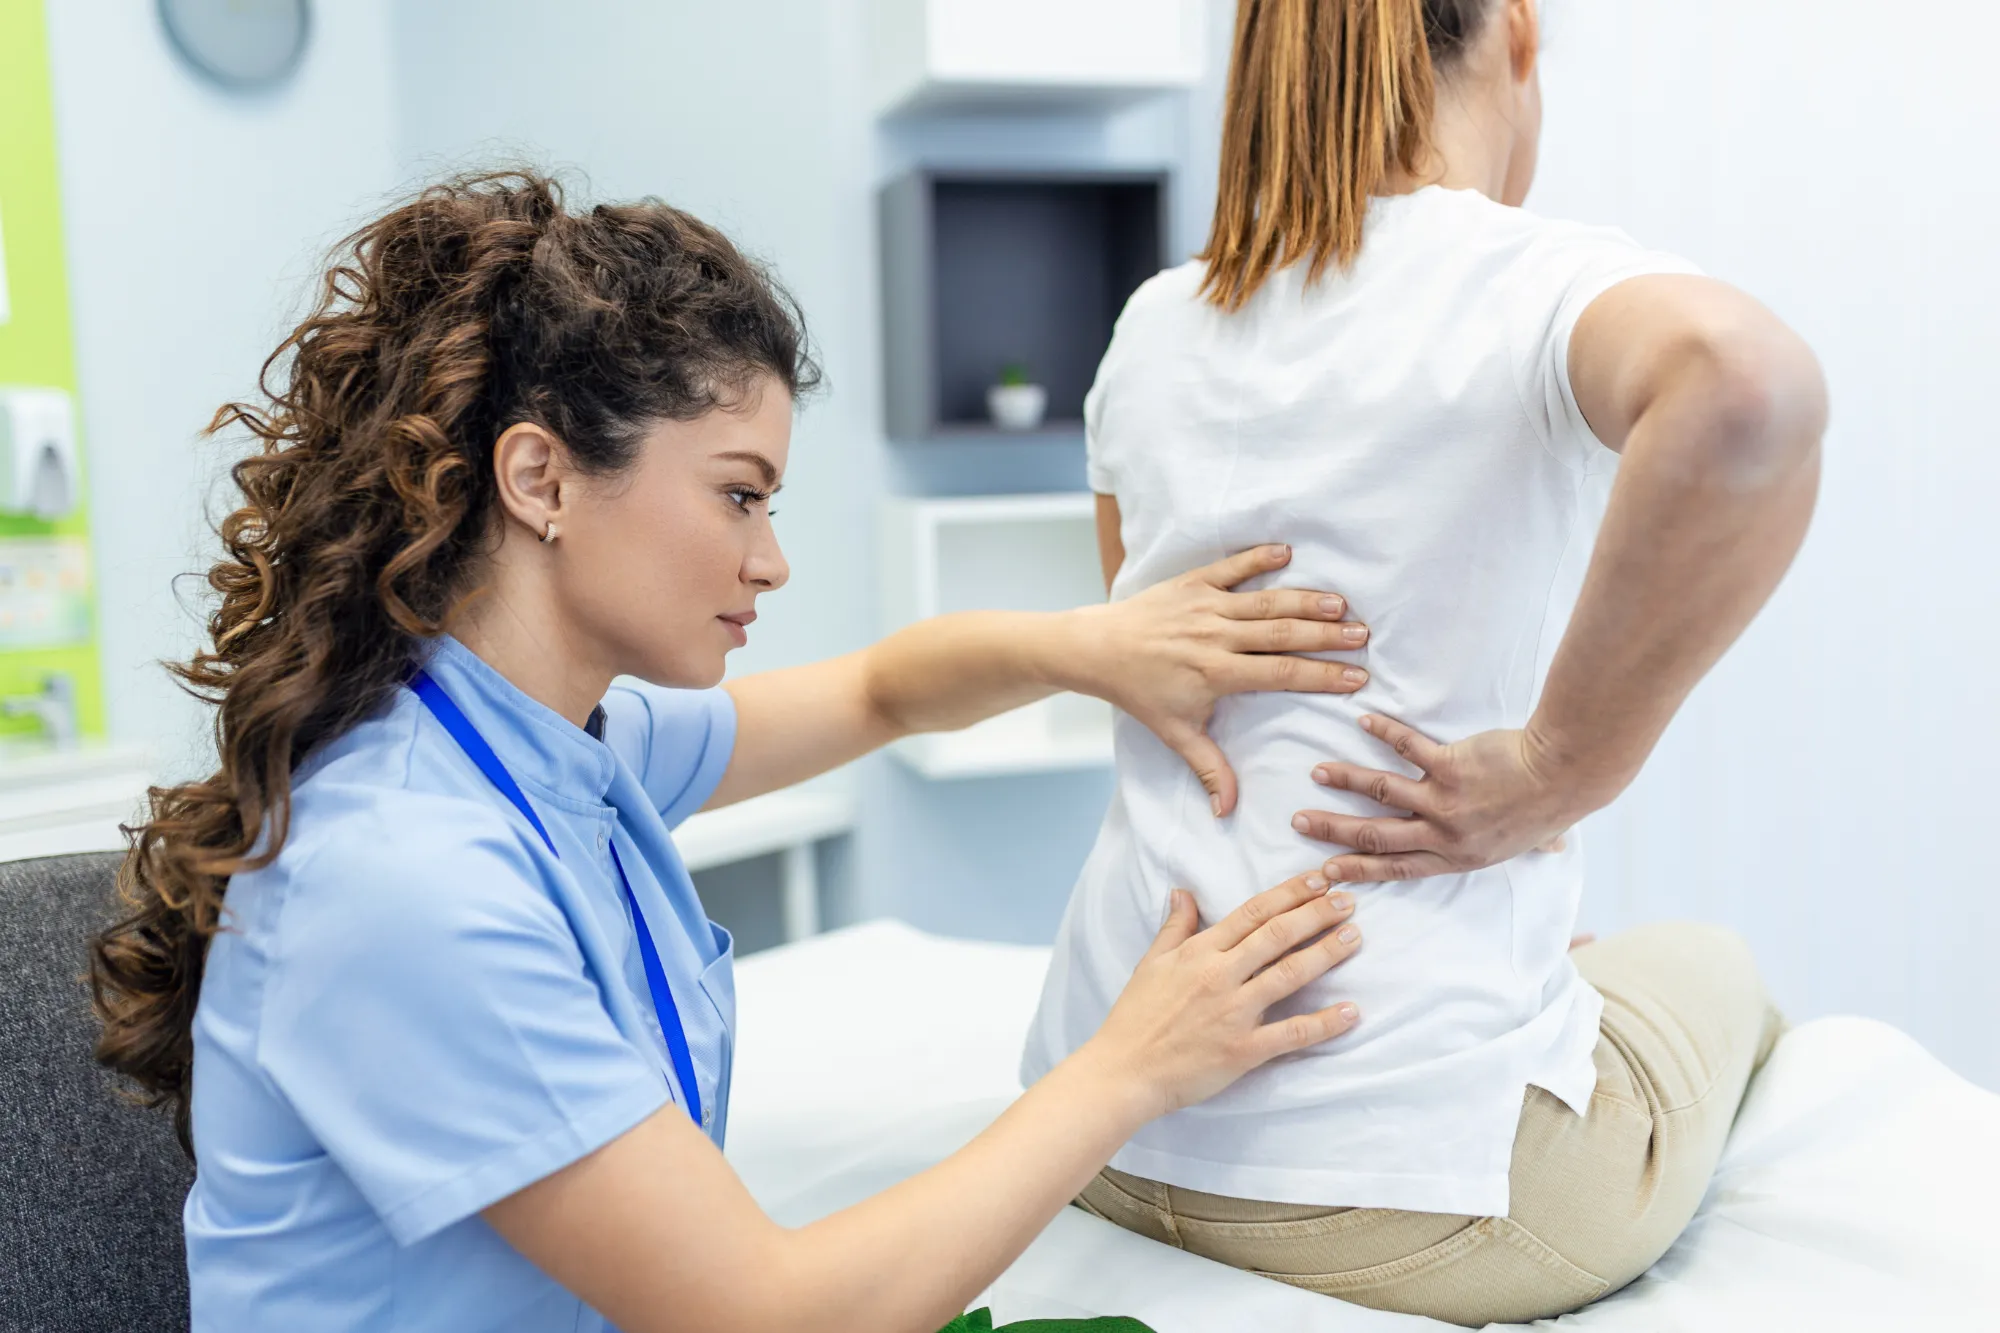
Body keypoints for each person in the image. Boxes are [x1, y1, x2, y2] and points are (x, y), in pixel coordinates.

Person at [87, 172, 1386, 1333]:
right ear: (540, 481)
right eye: (739, 493)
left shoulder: (557, 747)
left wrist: (1092, 647)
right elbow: (761, 1313)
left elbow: (881, 692)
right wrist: (1132, 1068)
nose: (769, 558)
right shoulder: (405, 870)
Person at [1021, 0, 1827, 1325]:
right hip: (1417, 1195)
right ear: (1512, 34)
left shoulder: (1154, 324)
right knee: (1712, 964)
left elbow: (1157, 676)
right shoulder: (1522, 279)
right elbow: (1751, 391)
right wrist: (1562, 767)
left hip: (1098, 1127)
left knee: (1581, 948)